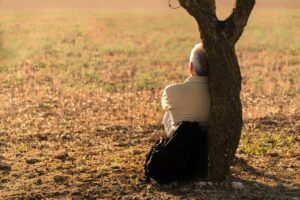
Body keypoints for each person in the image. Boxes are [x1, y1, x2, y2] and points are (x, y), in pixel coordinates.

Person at [161, 43, 211, 136]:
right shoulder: (221, 94)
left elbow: (164, 106)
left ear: (191, 67)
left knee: (168, 113)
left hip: (181, 145)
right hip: (210, 142)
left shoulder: (171, 91)